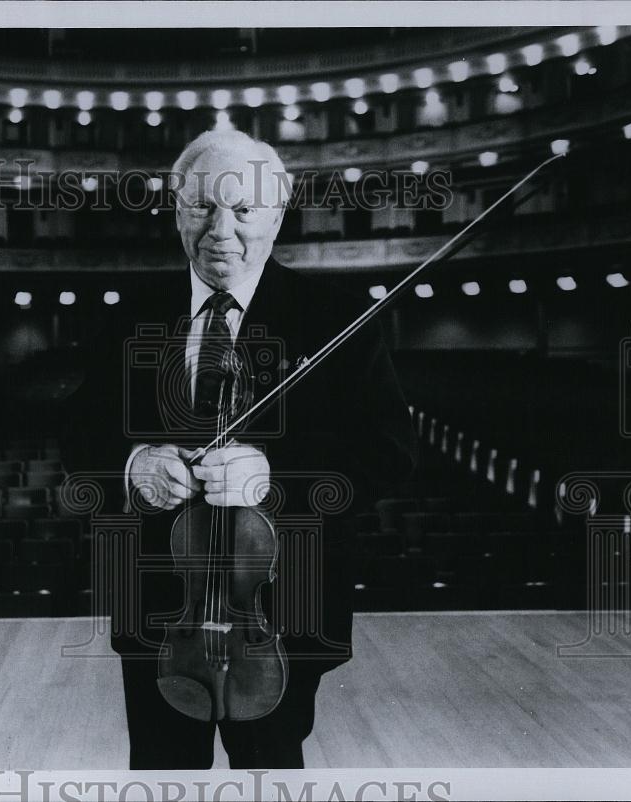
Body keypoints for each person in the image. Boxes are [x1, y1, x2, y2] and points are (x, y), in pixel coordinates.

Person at [67, 129, 416, 769]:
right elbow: (77, 433)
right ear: (177, 211)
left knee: (270, 772)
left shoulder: (338, 318)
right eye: (201, 207)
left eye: (244, 210)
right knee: (163, 774)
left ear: (276, 216)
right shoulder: (128, 317)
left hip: (281, 613)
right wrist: (133, 462)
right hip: (160, 615)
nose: (220, 230)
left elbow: (391, 450)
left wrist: (274, 476)